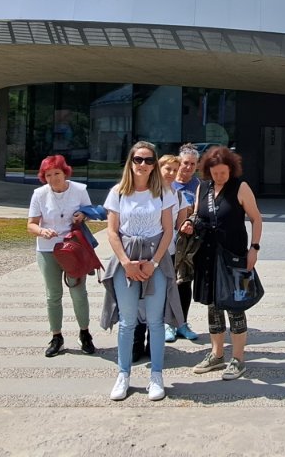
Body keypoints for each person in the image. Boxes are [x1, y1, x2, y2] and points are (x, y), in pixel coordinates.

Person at [99, 141, 180, 401]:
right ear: (130, 162)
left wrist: (154, 262)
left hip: (155, 259)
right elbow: (112, 232)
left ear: (155, 163)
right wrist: (125, 262)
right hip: (127, 260)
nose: (143, 164)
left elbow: (168, 230)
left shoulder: (164, 192)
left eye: (148, 160)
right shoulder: (118, 192)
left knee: (155, 322)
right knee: (127, 321)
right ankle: (124, 374)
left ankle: (156, 375)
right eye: (138, 159)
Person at [189, 145, 264, 381]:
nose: (220, 177)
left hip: (234, 257)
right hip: (207, 256)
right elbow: (196, 214)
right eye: (215, 172)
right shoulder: (202, 187)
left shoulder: (240, 187)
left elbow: (256, 218)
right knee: (213, 306)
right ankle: (216, 353)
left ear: (231, 169)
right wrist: (190, 223)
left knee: (235, 306)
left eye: (223, 172)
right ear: (208, 170)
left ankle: (238, 358)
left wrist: (254, 248)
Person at [27, 154, 96, 357]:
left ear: (65, 172)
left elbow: (90, 211)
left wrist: (83, 215)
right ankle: (56, 336)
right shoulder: (39, 194)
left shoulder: (79, 190)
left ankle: (85, 333)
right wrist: (42, 231)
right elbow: (30, 224)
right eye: (48, 175)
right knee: (53, 295)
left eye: (56, 173)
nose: (53, 178)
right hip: (48, 248)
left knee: (78, 292)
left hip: (73, 247)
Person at [168, 146, 203, 342]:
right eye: (185, 163)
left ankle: (182, 323)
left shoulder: (200, 186)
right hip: (168, 240)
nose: (188, 167)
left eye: (192, 164)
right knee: (166, 283)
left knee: (184, 283)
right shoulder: (168, 184)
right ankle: (167, 324)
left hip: (189, 244)